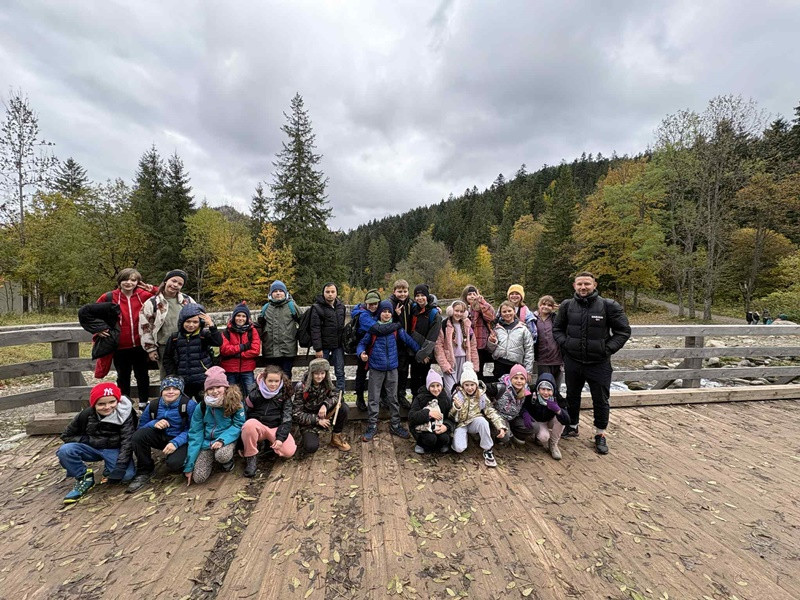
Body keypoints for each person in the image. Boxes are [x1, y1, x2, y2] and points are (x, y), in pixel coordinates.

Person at [552, 271, 631, 455]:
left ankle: (600, 433)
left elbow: (623, 331)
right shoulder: (567, 306)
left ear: (594, 285)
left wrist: (607, 349)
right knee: (572, 395)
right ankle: (572, 426)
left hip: (599, 363)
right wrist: (566, 344)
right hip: (573, 361)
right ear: (574, 286)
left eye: (587, 284)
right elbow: (557, 329)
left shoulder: (608, 306)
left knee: (600, 399)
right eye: (579, 284)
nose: (583, 287)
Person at [57, 383, 136, 503]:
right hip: (91, 447)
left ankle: (109, 468)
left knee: (127, 475)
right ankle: (83, 476)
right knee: (65, 450)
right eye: (101, 404)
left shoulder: (125, 414)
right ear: (94, 404)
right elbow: (66, 435)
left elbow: (127, 442)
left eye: (112, 402)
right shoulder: (86, 414)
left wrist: (120, 466)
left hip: (114, 448)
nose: (107, 407)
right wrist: (87, 440)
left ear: (118, 401)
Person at [357, 300, 420, 442]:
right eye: (384, 311)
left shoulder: (396, 329)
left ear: (392, 314)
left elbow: (408, 340)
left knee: (393, 398)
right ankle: (372, 425)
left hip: (392, 368)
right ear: (379, 313)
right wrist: (361, 353)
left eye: (389, 312)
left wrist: (421, 352)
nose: (386, 314)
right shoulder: (373, 330)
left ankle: (395, 424)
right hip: (376, 368)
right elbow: (362, 343)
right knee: (373, 398)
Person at [97, 268, 157, 409]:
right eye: (125, 279)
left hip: (141, 345)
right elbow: (91, 313)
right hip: (119, 346)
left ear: (138, 282)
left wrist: (152, 289)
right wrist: (98, 329)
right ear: (119, 281)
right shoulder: (109, 297)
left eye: (133, 280)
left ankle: (143, 404)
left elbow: (165, 297)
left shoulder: (144, 295)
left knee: (142, 375)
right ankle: (125, 405)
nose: (129, 282)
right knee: (123, 376)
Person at [126, 376, 197, 492]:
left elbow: (194, 430)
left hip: (181, 440)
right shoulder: (153, 405)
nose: (171, 392)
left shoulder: (189, 405)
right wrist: (154, 423)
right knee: (138, 437)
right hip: (161, 436)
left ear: (180, 391)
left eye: (175, 389)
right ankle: (144, 470)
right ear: (161, 391)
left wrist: (176, 442)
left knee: (174, 464)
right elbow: (140, 428)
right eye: (167, 389)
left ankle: (187, 460)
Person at [184, 367, 246, 485]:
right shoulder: (202, 407)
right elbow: (195, 433)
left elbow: (238, 424)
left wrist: (222, 440)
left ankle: (227, 462)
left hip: (227, 439)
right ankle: (211, 458)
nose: (215, 391)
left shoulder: (235, 403)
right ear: (206, 390)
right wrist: (189, 466)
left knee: (222, 455)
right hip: (207, 442)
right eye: (210, 388)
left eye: (218, 387)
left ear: (225, 387)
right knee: (199, 478)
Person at [241, 365, 297, 477]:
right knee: (248, 425)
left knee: (289, 451)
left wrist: (280, 438)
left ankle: (270, 445)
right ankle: (251, 458)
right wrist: (240, 443)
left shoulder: (285, 394)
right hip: (258, 427)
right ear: (264, 380)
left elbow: (286, 419)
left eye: (276, 381)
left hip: (275, 428)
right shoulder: (254, 393)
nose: (273, 384)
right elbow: (245, 415)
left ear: (281, 381)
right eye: (270, 381)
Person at [139, 269, 195, 378]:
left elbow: (199, 318)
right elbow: (145, 327)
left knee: (188, 376)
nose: (175, 285)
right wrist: (150, 349)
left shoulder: (187, 300)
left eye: (180, 284)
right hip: (164, 347)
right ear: (166, 281)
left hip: (186, 344)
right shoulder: (152, 303)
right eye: (173, 281)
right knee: (168, 377)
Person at [449, 363, 506, 467]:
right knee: (459, 448)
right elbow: (451, 416)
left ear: (476, 384)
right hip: (461, 424)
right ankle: (460, 439)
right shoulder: (458, 395)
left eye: (472, 385)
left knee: (483, 422)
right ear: (462, 385)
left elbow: (490, 410)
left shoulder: (481, 395)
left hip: (475, 420)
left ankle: (487, 449)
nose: (470, 388)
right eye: (467, 385)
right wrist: (456, 407)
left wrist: (500, 426)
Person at [163, 304, 223, 401]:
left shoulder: (204, 335)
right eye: (188, 321)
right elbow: (167, 358)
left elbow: (218, 342)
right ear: (182, 322)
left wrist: (212, 325)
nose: (191, 325)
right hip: (183, 380)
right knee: (184, 405)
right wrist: (173, 374)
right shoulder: (175, 338)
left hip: (202, 379)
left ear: (200, 322)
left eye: (195, 322)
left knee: (204, 404)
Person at [293, 358, 351, 454]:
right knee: (310, 447)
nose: (320, 376)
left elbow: (338, 396)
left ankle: (336, 437)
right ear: (311, 373)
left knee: (343, 408)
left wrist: (325, 405)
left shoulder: (327, 382)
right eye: (316, 373)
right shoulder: (301, 387)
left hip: (325, 415)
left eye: (322, 373)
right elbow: (296, 414)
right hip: (309, 421)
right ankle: (307, 437)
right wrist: (317, 420)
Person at [434, 300, 479, 394]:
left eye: (461, 311)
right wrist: (445, 365)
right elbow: (439, 346)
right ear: (451, 311)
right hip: (450, 361)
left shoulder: (467, 325)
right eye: (456, 311)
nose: (458, 314)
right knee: (450, 389)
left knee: (464, 388)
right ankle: (451, 403)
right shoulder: (444, 325)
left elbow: (473, 346)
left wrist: (474, 365)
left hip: (465, 361)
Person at [350, 289, 384, 412]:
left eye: (375, 304)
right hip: (364, 348)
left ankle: (379, 398)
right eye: (370, 304)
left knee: (379, 374)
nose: (373, 306)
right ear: (366, 303)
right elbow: (376, 328)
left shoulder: (377, 312)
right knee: (361, 374)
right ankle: (360, 398)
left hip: (375, 348)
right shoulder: (363, 315)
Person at [258, 280, 300, 379]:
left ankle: (286, 390)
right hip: (270, 350)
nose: (278, 293)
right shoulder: (266, 308)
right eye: (275, 291)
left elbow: (302, 321)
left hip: (288, 350)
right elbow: (259, 325)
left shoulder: (292, 306)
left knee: (286, 376)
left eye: (280, 291)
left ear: (285, 293)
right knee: (271, 377)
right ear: (271, 294)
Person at [310, 283, 347, 394]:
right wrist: (318, 348)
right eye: (327, 292)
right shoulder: (317, 308)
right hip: (324, 346)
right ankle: (321, 395)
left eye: (332, 292)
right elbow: (315, 329)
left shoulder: (341, 307)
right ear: (323, 293)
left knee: (340, 372)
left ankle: (340, 396)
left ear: (336, 293)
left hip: (338, 345)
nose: (330, 294)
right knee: (320, 372)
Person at [524, 373, 571, 460]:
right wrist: (525, 414)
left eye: (549, 390)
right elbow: (522, 406)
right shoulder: (531, 394)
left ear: (553, 390)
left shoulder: (557, 397)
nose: (546, 393)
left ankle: (553, 444)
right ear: (538, 388)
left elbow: (567, 420)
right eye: (543, 389)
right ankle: (538, 436)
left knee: (561, 419)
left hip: (550, 420)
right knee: (544, 437)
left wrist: (558, 410)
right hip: (538, 421)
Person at [220, 302, 261, 398]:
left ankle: (248, 408)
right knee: (231, 395)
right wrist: (242, 347)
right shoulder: (227, 332)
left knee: (251, 395)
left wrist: (238, 354)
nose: (240, 318)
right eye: (238, 315)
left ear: (247, 318)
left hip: (247, 369)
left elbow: (255, 350)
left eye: (243, 316)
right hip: (230, 369)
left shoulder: (252, 331)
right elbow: (224, 349)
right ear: (234, 317)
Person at [486, 363, 534, 445]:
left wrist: (525, 414)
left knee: (534, 427)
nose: (519, 381)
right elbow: (483, 388)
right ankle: (497, 435)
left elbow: (524, 406)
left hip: (514, 417)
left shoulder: (526, 391)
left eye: (522, 378)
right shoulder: (501, 387)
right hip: (499, 417)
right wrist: (488, 405)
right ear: (511, 378)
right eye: (516, 378)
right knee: (505, 437)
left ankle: (515, 435)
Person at [408, 369, 454, 454]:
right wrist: (428, 413)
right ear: (428, 386)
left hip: (439, 426)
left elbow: (451, 417)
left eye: (438, 385)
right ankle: (421, 444)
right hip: (424, 428)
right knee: (430, 439)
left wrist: (446, 426)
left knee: (444, 438)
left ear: (441, 386)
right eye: (432, 386)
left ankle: (440, 445)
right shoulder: (420, 398)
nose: (436, 389)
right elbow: (411, 417)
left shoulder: (445, 399)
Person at [486, 301, 534, 380]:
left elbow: (529, 350)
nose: (507, 313)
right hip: (499, 364)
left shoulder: (523, 329)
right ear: (500, 314)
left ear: (514, 311)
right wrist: (492, 342)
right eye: (504, 312)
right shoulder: (497, 329)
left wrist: (528, 371)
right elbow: (490, 349)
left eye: (509, 311)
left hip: (516, 365)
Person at [408, 284, 442, 393]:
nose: (420, 298)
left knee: (424, 381)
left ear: (427, 296)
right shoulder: (413, 308)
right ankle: (415, 400)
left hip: (425, 354)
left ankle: (424, 401)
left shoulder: (434, 314)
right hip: (414, 351)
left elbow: (432, 337)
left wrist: (422, 354)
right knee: (414, 381)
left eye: (422, 295)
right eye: (417, 296)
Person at [461, 285, 496, 382]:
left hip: (481, 344)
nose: (472, 296)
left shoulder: (482, 306)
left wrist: (482, 302)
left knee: (480, 370)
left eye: (474, 294)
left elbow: (491, 317)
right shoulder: (462, 308)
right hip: (466, 344)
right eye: (469, 294)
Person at [389, 279, 414, 409]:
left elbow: (426, 302)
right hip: (393, 342)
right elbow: (385, 319)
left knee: (404, 370)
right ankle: (389, 397)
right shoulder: (390, 304)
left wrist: (434, 305)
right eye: (399, 291)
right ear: (394, 292)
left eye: (405, 291)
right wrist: (395, 314)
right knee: (392, 371)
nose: (402, 294)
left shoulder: (410, 303)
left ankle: (401, 395)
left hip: (406, 342)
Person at [532, 295, 564, 391]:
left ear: (553, 307)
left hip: (557, 358)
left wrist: (562, 308)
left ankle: (557, 400)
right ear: (539, 305)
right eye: (543, 304)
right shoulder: (533, 319)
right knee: (545, 387)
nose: (546, 307)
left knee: (556, 389)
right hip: (542, 359)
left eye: (549, 305)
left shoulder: (556, 318)